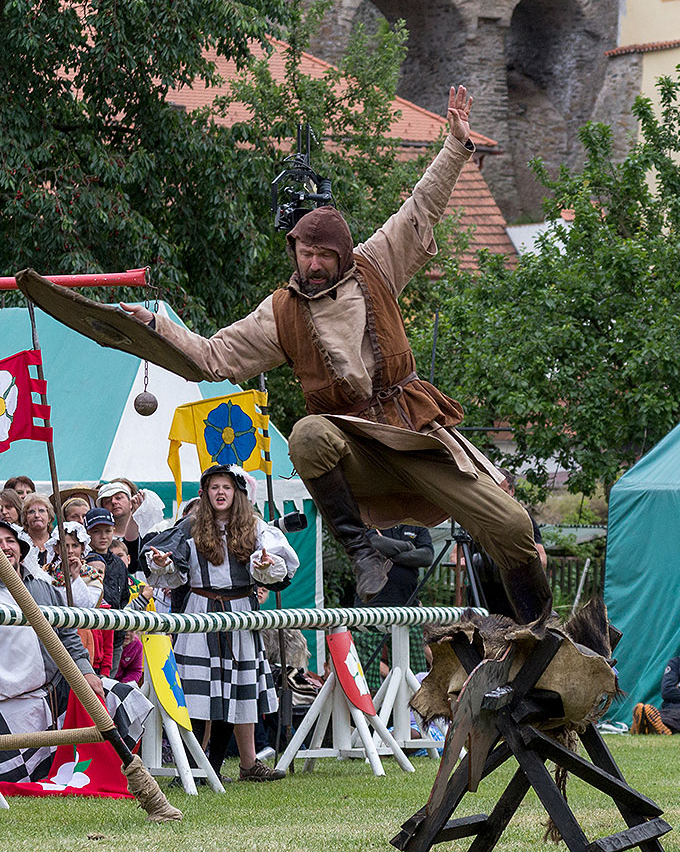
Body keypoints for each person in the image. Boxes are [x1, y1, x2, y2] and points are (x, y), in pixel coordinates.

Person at [120, 87, 551, 622]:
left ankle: (537, 632)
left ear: (342, 253)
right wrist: (156, 327)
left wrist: (456, 146)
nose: (315, 262)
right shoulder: (280, 312)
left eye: (325, 253)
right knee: (307, 433)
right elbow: (212, 357)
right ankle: (362, 553)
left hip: (415, 433)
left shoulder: (376, 265)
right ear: (294, 252)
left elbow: (420, 207)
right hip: (354, 449)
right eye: (306, 251)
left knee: (511, 529)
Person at [143, 464, 296, 781]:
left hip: (240, 613)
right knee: (198, 695)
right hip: (200, 612)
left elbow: (278, 562)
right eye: (214, 487)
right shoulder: (189, 527)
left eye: (226, 487)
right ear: (205, 492)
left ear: (237, 493)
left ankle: (212, 766)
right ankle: (193, 767)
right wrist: (162, 561)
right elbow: (170, 566)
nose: (220, 492)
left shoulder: (255, 528)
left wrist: (266, 563)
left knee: (233, 692)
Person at [0, 521, 102, 785]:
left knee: (120, 698)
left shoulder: (44, 588)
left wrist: (86, 671)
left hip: (55, 699)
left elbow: (68, 636)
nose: (4, 547)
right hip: (7, 712)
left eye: (9, 541)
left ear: (21, 548)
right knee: (11, 783)